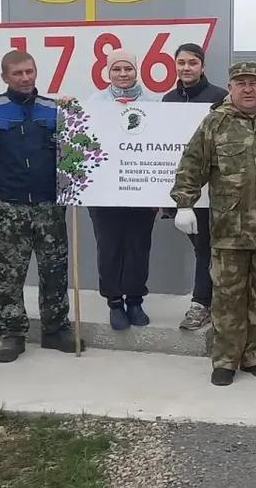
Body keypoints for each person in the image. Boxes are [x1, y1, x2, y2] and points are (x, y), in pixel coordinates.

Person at [171, 61, 256, 386]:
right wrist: (184, 204)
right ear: (231, 87)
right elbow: (191, 165)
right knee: (227, 298)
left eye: (253, 83)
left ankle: (255, 355)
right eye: (240, 83)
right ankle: (225, 359)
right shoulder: (215, 123)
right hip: (229, 230)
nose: (248, 89)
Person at [0, 49, 83, 363]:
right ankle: (12, 334)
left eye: (29, 72)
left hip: (49, 205)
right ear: (5, 76)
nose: (24, 78)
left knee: (54, 270)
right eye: (17, 73)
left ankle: (55, 329)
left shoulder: (54, 109)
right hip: (9, 207)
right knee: (10, 274)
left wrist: (75, 113)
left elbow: (73, 150)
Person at [87, 49, 160, 329]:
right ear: (108, 72)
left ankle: (135, 300)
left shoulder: (154, 103)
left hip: (141, 188)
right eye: (116, 69)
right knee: (109, 248)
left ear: (136, 70)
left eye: (128, 68)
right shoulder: (94, 103)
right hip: (104, 191)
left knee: (138, 247)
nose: (123, 74)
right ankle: (115, 302)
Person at [162, 43, 228, 332]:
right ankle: (209, 300)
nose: (186, 68)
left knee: (205, 247)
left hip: (211, 189)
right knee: (203, 247)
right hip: (182, 189)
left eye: (192, 62)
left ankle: (201, 303)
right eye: (181, 63)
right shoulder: (168, 100)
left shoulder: (219, 97)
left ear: (202, 66)